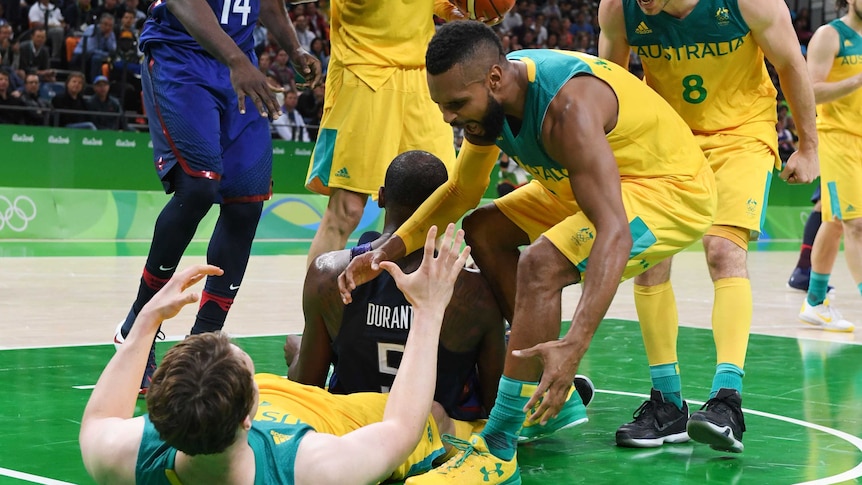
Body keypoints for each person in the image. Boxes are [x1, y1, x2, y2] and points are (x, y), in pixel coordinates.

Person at [340, 21, 717, 484]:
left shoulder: (566, 110)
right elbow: (461, 192)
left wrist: (574, 346)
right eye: (442, 106)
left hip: (668, 189)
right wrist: (385, 249)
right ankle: (550, 401)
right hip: (588, 184)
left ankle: (499, 444)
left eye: (456, 105)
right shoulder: (488, 106)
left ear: (495, 79)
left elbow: (614, 231)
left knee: (542, 263)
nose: (448, 119)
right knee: (485, 228)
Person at [80, 223, 478, 484]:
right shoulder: (309, 468)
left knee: (297, 349)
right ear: (249, 416)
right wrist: (428, 309)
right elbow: (401, 430)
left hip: (289, 406)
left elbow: (100, 418)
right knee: (437, 418)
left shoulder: (128, 455)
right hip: (335, 415)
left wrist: (146, 319)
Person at [598, 0, 819, 453]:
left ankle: (727, 401)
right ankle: (666, 404)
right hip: (665, 137)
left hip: (740, 133)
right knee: (650, 259)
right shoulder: (619, 9)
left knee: (722, 249)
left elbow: (791, 64)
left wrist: (808, 146)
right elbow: (609, 83)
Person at [111, 0, 320, 394]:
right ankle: (138, 326)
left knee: (247, 203)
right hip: (181, 58)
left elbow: (269, 4)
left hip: (237, 65)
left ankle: (202, 344)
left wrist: (294, 48)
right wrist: (238, 60)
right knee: (199, 186)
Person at [290, 150, 507, 422]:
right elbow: (496, 403)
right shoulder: (477, 291)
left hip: (354, 429)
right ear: (445, 207)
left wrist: (297, 353)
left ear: (381, 197)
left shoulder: (325, 272)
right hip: (433, 436)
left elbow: (306, 388)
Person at [302, 0, 473, 267]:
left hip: (420, 77)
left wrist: (453, 10)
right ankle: (315, 306)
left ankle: (443, 306)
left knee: (436, 204)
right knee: (347, 209)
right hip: (364, 73)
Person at [797, 0, 862, 333]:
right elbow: (810, 91)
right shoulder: (830, 35)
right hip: (838, 139)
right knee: (856, 223)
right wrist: (858, 80)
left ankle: (814, 302)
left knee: (835, 222)